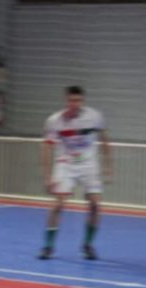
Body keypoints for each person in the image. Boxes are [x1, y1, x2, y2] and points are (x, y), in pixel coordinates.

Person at [39, 85, 111, 260]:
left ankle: (87, 245)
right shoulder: (54, 121)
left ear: (82, 101)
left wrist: (108, 167)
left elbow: (104, 140)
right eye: (71, 100)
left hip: (88, 162)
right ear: (66, 101)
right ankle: (48, 246)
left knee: (95, 205)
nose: (75, 104)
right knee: (58, 205)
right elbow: (46, 148)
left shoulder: (94, 117)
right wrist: (48, 177)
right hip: (66, 162)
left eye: (78, 100)